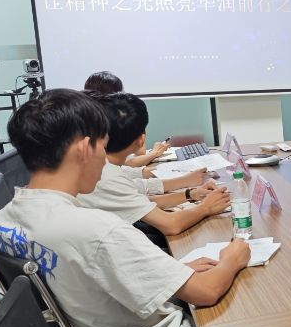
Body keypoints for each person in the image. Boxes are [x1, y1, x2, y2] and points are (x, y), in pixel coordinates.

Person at [0, 89, 251, 327]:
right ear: (84, 149)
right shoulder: (97, 230)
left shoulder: (1, 221)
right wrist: (232, 258)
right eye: (103, 146)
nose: (105, 160)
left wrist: (171, 272)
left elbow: (81, 279)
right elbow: (207, 291)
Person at [77, 92, 230, 241]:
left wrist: (191, 194)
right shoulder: (106, 175)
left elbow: (139, 198)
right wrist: (206, 207)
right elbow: (171, 225)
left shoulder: (99, 164)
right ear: (141, 138)